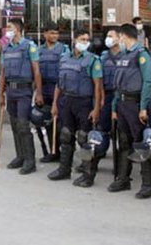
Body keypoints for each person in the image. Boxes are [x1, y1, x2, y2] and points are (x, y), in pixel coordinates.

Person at [49, 29, 104, 186]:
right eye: (82, 39)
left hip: (84, 103)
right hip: (67, 100)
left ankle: (88, 175)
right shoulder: (64, 58)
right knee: (66, 136)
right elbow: (59, 84)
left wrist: (96, 109)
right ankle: (64, 169)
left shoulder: (93, 60)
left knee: (84, 138)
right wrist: (54, 104)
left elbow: (98, 87)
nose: (84, 42)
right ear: (74, 40)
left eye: (87, 40)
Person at [108, 23, 151, 198]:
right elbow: (118, 85)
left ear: (124, 36)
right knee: (124, 143)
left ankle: (148, 184)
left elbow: (148, 82)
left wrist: (143, 107)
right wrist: (114, 107)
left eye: (118, 37)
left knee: (142, 145)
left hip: (136, 104)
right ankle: (123, 179)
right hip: (122, 104)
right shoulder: (123, 56)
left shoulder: (141, 55)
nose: (117, 41)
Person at [0, 18, 43, 174]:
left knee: (24, 126)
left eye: (9, 27)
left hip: (24, 91)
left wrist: (39, 92)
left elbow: (36, 70)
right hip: (10, 91)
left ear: (17, 29)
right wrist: (1, 94)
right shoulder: (6, 48)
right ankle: (20, 156)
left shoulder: (29, 46)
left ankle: (30, 161)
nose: (6, 30)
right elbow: (3, 71)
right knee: (15, 125)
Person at [38, 23, 67, 163]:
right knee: (47, 122)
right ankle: (52, 151)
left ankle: (65, 153)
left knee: (62, 123)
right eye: (51, 33)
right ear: (45, 34)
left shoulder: (64, 49)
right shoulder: (39, 50)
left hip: (59, 89)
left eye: (56, 33)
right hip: (44, 89)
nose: (54, 36)